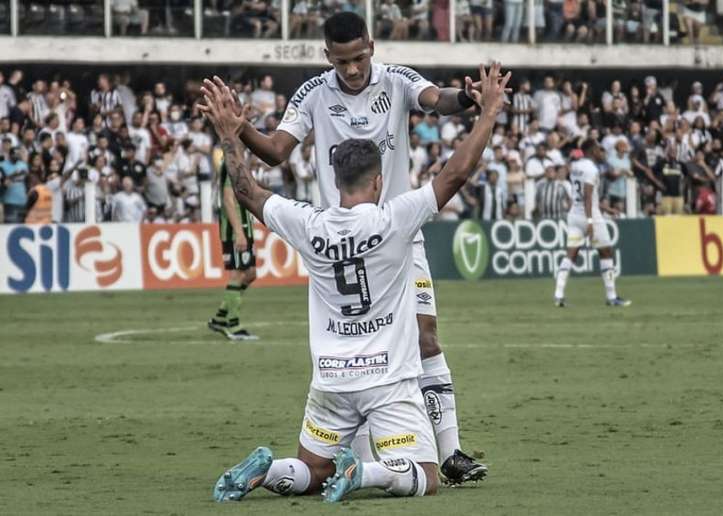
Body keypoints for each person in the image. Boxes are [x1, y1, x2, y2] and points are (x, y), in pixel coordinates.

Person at [199, 11, 489, 484]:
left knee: (426, 332)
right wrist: (239, 128)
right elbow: (275, 150)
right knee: (356, 343)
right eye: (341, 62)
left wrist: (469, 98)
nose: (351, 70)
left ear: (372, 46)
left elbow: (437, 100)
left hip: (397, 232)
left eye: (358, 59)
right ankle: (360, 459)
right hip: (338, 239)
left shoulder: (397, 81)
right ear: (326, 56)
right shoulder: (313, 94)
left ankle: (450, 450)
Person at [554, 139, 630, 307]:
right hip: (591, 217)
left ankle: (558, 295)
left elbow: (582, 196)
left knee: (570, 255)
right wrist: (590, 221)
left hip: (574, 215)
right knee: (606, 252)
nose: (600, 152)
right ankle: (611, 297)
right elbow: (588, 197)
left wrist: (607, 209)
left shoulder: (575, 167)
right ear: (591, 151)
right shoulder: (591, 169)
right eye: (598, 149)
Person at [206, 160, 259, 340]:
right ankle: (233, 324)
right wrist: (239, 232)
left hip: (244, 226)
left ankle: (220, 318)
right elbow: (228, 199)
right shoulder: (232, 165)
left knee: (250, 273)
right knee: (239, 274)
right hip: (237, 228)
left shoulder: (237, 163)